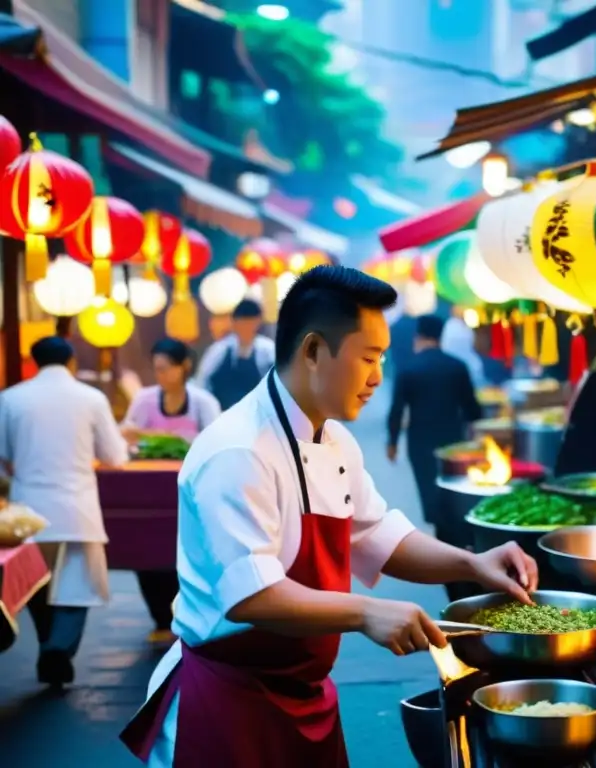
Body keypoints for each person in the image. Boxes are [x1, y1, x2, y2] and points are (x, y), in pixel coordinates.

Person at [120, 266, 538, 767]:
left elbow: (377, 533)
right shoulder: (236, 451)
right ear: (314, 350)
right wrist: (365, 612)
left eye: (382, 357)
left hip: (305, 693)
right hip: (228, 699)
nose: (378, 376)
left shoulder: (335, 438)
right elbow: (251, 595)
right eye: (368, 357)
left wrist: (472, 564)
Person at [0, 337, 129, 686]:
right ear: (71, 362)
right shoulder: (91, 399)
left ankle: (49, 646)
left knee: (37, 587)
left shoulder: (10, 399)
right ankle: (58, 648)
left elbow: (3, 459)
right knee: (76, 587)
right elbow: (116, 456)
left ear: (35, 361)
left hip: (28, 514)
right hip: (77, 508)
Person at [121, 338, 222, 644]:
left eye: (166, 369)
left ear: (184, 367)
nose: (160, 375)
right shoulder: (145, 399)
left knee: (187, 552)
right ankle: (161, 619)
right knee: (147, 553)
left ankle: (189, 616)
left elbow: (215, 442)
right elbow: (126, 433)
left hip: (191, 493)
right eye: (156, 369)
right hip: (149, 491)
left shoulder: (203, 402)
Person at [387, 315, 481, 527]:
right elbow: (472, 409)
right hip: (454, 440)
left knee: (429, 491)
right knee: (454, 490)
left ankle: (440, 531)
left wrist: (392, 443)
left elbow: (397, 410)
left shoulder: (408, 370)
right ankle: (454, 536)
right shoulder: (457, 366)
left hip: (420, 442)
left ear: (418, 337)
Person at [194, 298, 274, 410]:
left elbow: (280, 383)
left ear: (258, 322)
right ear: (234, 322)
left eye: (250, 323)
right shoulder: (219, 349)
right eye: (242, 322)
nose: (246, 327)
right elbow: (202, 381)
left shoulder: (268, 350)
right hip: (222, 413)